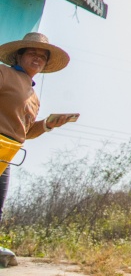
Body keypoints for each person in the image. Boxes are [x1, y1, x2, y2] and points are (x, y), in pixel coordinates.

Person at [0, 31, 77, 264]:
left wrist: (47, 124)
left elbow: (25, 131)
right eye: (32, 52)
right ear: (19, 55)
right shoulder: (4, 73)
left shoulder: (34, 96)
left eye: (42, 56)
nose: (37, 58)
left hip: (9, 152)